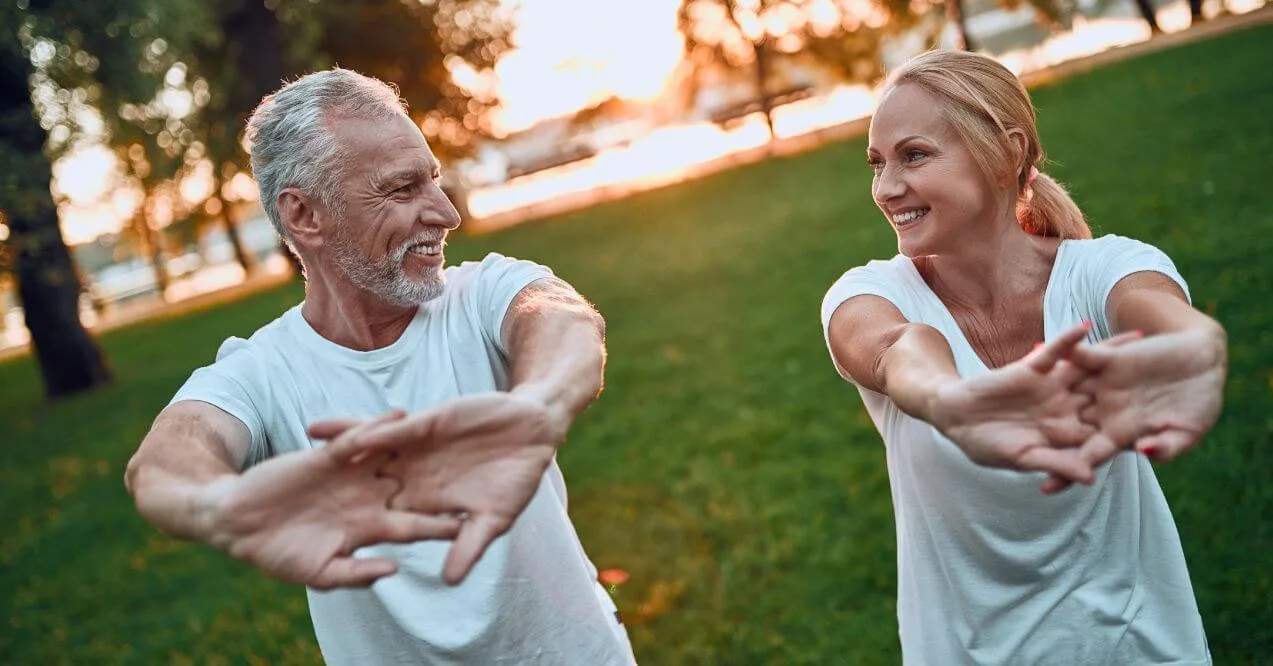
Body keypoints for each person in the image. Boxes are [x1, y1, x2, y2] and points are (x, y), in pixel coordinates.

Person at [124, 69, 636, 665]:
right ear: (304, 216)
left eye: (435, 181)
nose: (446, 214)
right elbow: (166, 460)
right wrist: (219, 507)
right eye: (401, 190)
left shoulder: (481, 293)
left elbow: (564, 320)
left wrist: (536, 408)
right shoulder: (262, 371)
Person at [820, 50, 1227, 664]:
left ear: (1010, 151)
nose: (886, 187)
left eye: (915, 155)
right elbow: (899, 347)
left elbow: (1157, 310)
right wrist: (949, 400)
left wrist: (1195, 346)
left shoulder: (1103, 269)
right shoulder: (868, 294)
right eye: (877, 163)